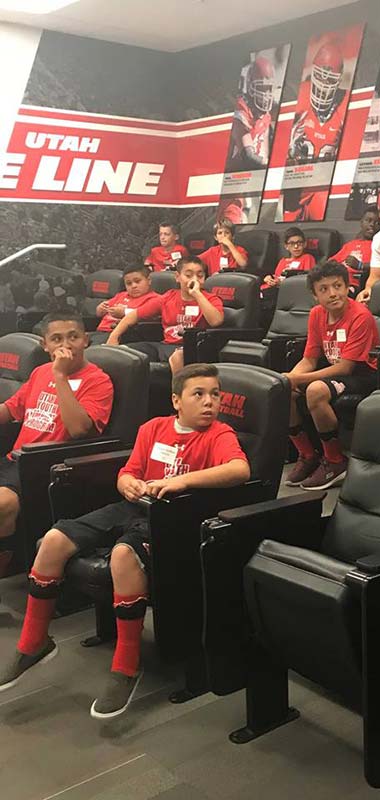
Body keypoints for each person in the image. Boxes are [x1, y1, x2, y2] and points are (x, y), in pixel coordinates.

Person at [0, 364, 250, 719]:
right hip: (131, 505)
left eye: (215, 394)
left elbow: (240, 471)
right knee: (54, 539)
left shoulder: (219, 434)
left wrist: (183, 481)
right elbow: (128, 471)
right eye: (199, 394)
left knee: (122, 555)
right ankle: (33, 642)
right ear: (176, 400)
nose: (209, 402)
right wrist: (127, 482)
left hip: (172, 518)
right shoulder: (153, 428)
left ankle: (127, 664)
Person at [0, 312, 114, 559]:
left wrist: (60, 376)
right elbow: (10, 409)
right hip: (14, 460)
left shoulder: (98, 381)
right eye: (56, 338)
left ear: (85, 339)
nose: (65, 345)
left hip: (45, 465)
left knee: (1, 505)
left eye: (73, 336)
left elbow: (79, 430)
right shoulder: (40, 372)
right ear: (44, 345)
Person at [284, 261, 379, 490]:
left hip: (363, 375)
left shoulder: (360, 316)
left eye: (337, 286)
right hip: (335, 373)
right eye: (324, 289)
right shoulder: (317, 314)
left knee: (316, 390)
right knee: (283, 389)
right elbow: (309, 359)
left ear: (348, 287)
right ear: (315, 295)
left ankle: (336, 461)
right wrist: (289, 379)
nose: (332, 293)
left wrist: (298, 379)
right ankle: (307, 455)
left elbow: (346, 368)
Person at [119, 257, 224, 374]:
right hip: (165, 346)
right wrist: (113, 339)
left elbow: (216, 321)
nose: (194, 280)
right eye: (188, 275)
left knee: (178, 356)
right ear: (177, 277)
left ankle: (179, 392)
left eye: (200, 276)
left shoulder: (211, 299)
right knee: (123, 353)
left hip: (191, 348)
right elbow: (133, 316)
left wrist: (197, 294)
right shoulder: (168, 297)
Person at [282, 42, 346, 222]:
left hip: (320, 187)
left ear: (338, 80)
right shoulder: (302, 96)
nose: (324, 85)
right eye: (321, 76)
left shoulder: (343, 105)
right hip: (296, 185)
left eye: (330, 79)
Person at [90, 264, 162, 345]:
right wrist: (100, 309)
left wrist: (124, 312)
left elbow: (147, 316)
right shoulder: (121, 295)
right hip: (99, 331)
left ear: (148, 280)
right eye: (129, 283)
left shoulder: (155, 299)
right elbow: (102, 311)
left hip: (122, 335)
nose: (133, 286)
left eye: (137, 281)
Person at [330, 206, 380, 290]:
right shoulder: (350, 244)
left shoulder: (379, 245)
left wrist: (360, 265)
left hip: (356, 283)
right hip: (337, 279)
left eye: (377, 223)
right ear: (361, 222)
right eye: (368, 220)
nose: (372, 224)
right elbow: (332, 261)